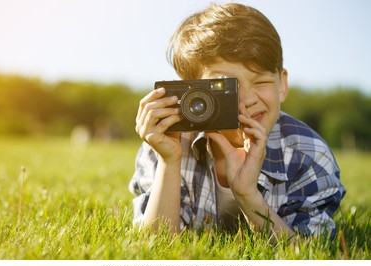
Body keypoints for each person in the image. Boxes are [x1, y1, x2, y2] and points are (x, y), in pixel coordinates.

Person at [129, 2, 346, 240]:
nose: (246, 99)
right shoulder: (165, 145)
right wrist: (169, 162)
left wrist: (247, 195)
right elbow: (154, 246)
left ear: (282, 85)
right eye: (225, 86)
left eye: (261, 82)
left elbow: (306, 255)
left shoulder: (309, 156)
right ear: (193, 89)